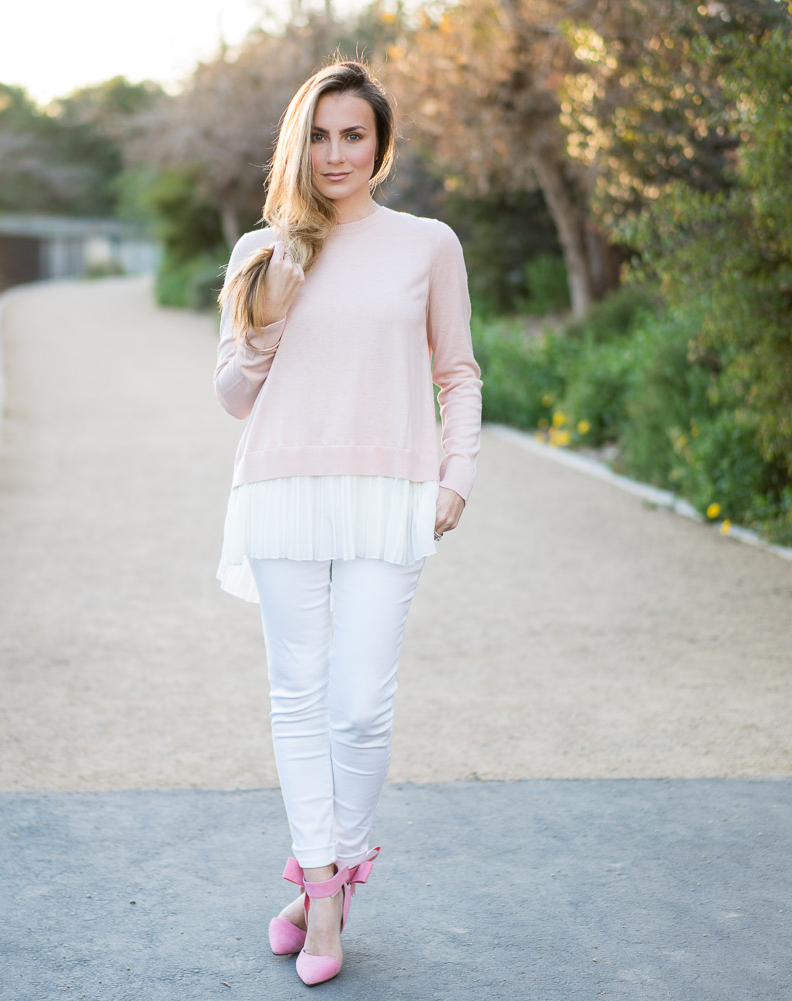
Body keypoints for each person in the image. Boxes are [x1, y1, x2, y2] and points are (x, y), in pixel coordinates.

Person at [211, 59, 483, 986]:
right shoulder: (263, 250)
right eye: (320, 135)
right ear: (300, 142)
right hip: (284, 489)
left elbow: (460, 370)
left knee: (360, 709)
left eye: (353, 135)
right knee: (301, 696)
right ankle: (322, 896)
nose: (336, 153)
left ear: (381, 145)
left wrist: (458, 471)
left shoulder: (428, 244)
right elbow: (231, 395)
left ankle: (334, 875)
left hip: (390, 492)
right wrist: (270, 316)